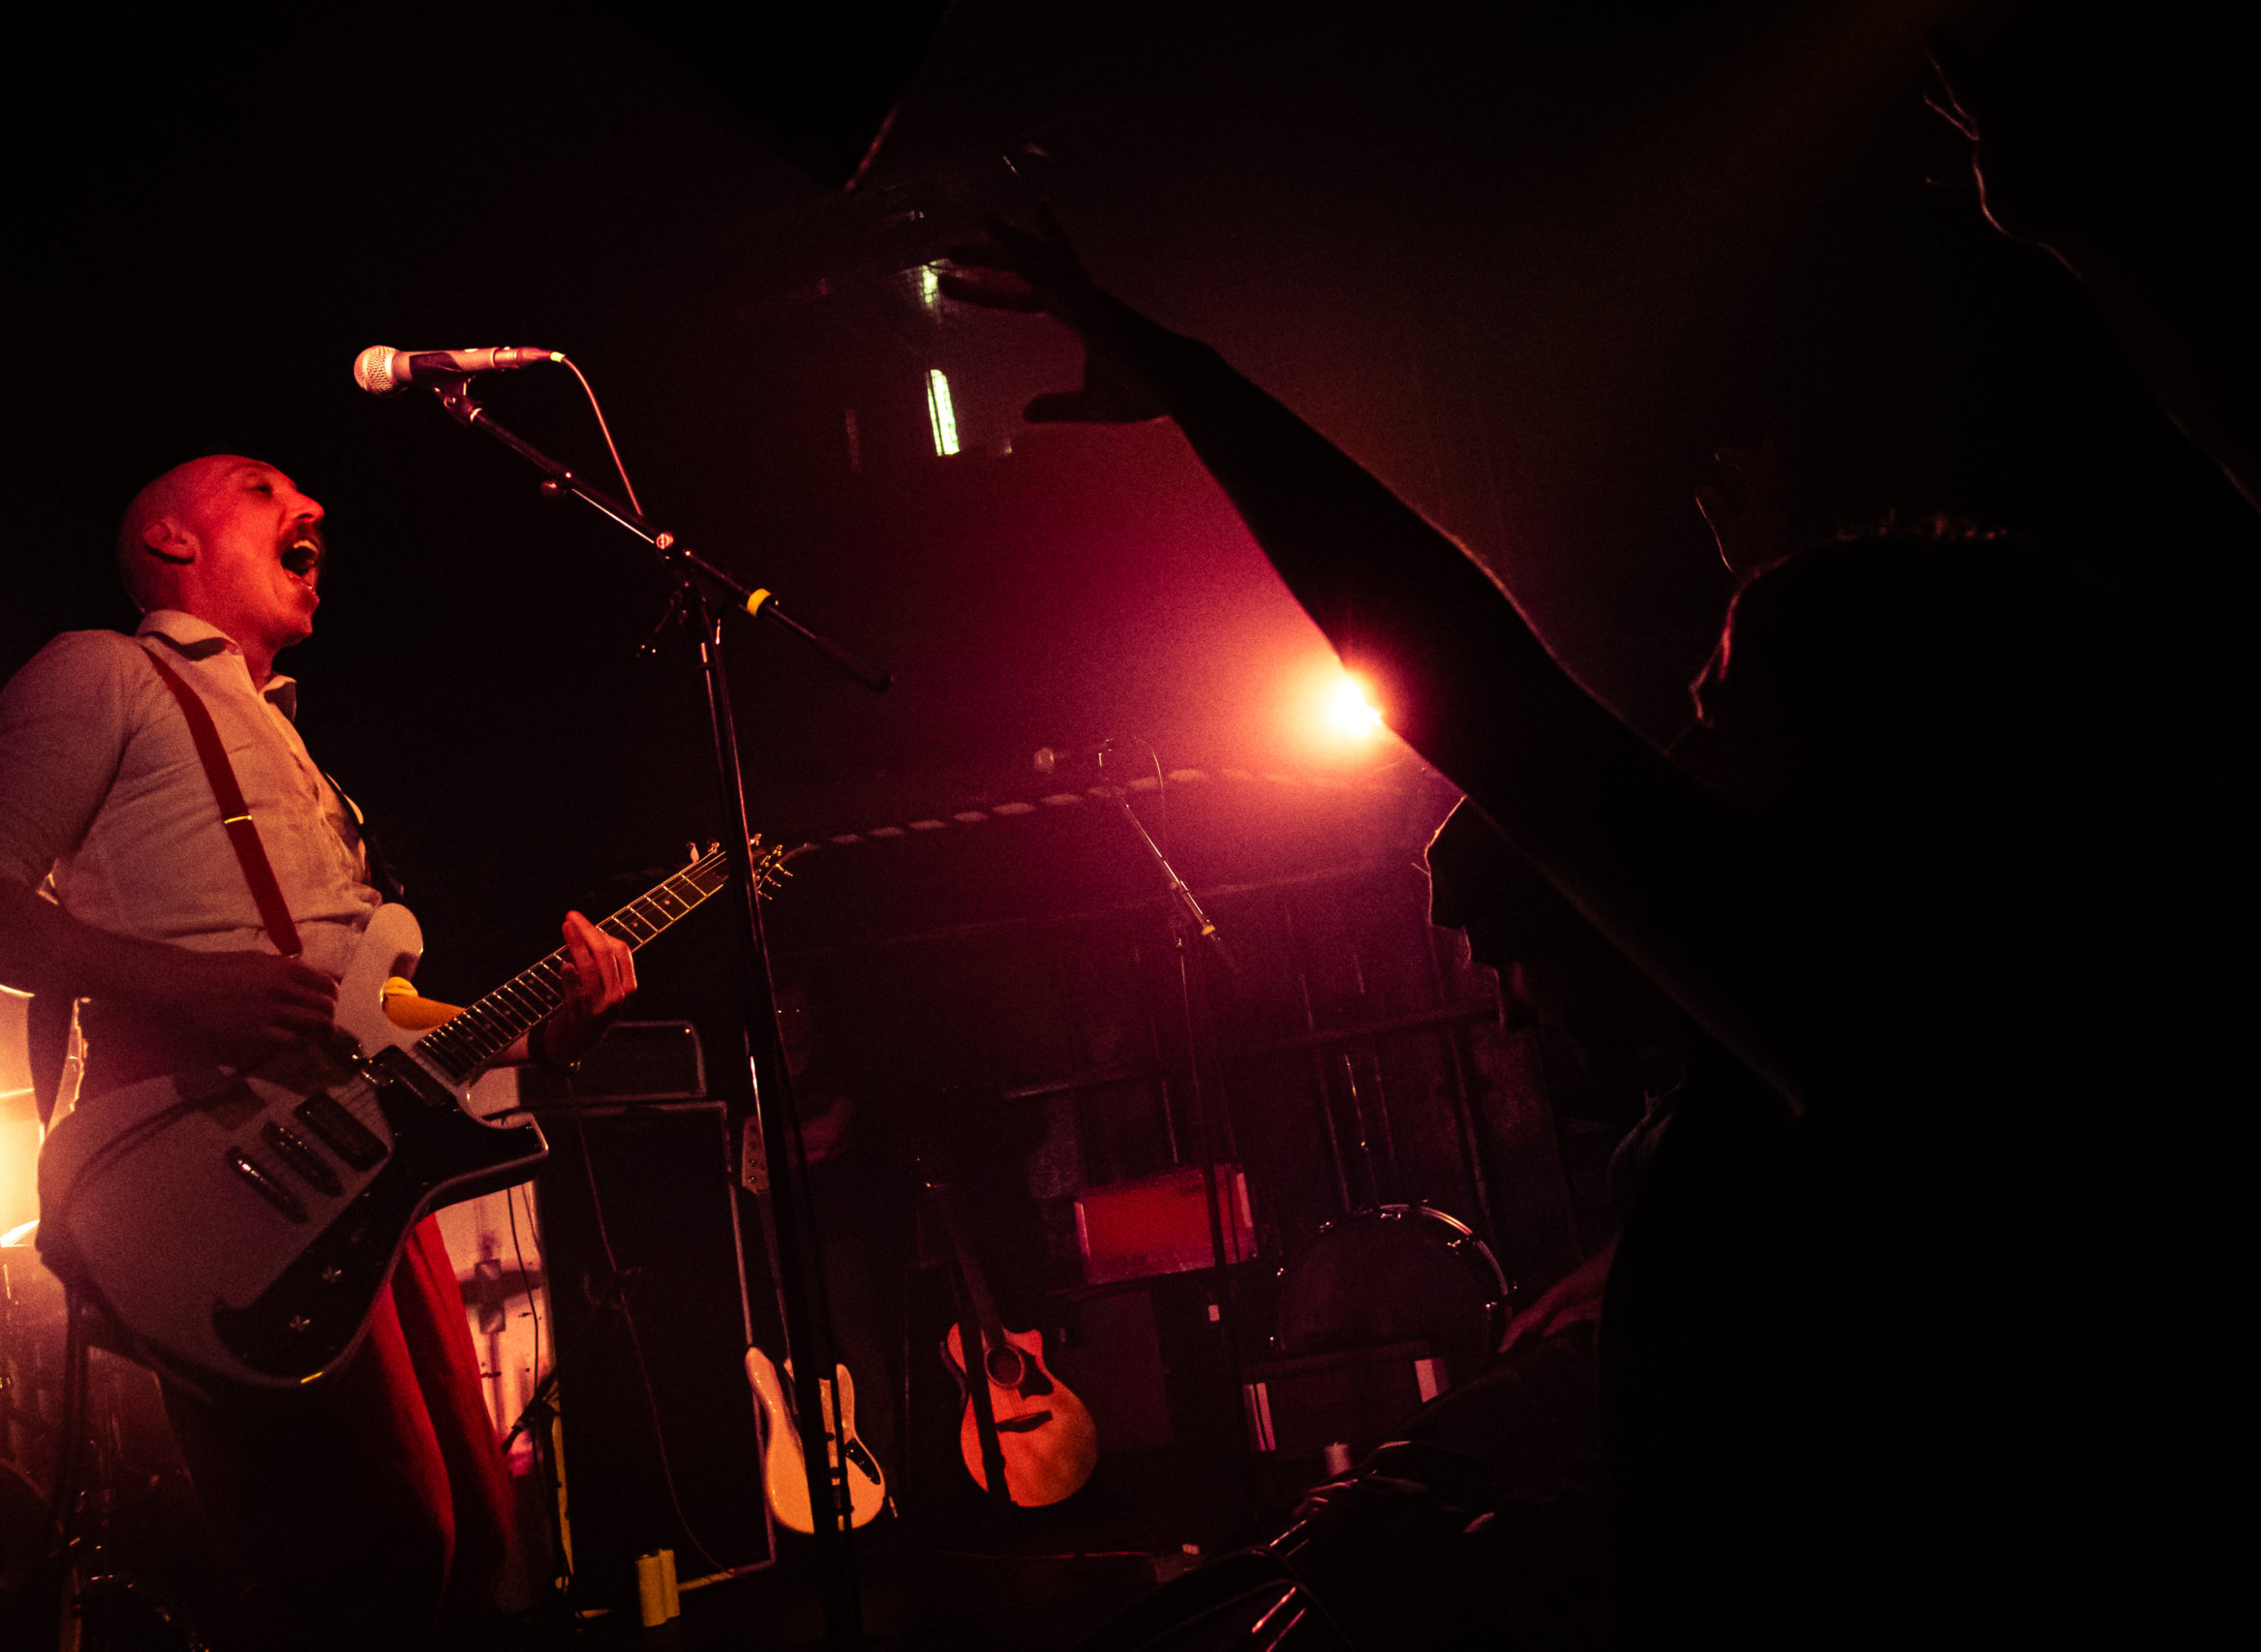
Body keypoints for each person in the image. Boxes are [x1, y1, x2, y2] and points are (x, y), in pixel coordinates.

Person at [941, 183, 2232, 1639]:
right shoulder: (2048, 1012)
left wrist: (1194, 382)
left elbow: (1473, 676)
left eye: (1721, 719)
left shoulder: (1896, 1012)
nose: (1678, 758)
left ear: (1865, 765)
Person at [0, 453, 637, 1650]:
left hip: (355, 1158)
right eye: (261, 489)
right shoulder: (100, 669)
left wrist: (543, 1032)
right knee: (372, 1543)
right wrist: (190, 982)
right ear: (172, 541)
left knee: (471, 1532)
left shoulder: (296, 750)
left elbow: (372, 1010)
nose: (311, 508)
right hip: (213, 1164)